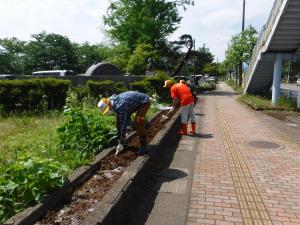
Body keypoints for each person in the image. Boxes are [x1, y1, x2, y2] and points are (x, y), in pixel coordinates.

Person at [97, 91, 151, 155]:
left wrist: (121, 142)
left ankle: (144, 147)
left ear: (109, 104)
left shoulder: (120, 106)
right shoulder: (112, 101)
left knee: (138, 121)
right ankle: (124, 142)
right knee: (118, 122)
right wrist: (121, 139)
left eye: (108, 109)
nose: (108, 111)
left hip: (144, 101)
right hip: (130, 104)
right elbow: (120, 121)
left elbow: (123, 123)